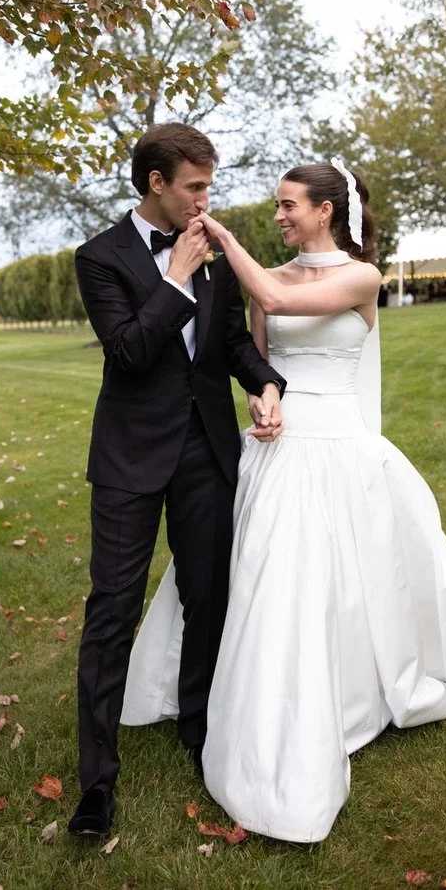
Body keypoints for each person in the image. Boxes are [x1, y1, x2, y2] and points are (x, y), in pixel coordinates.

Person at [121, 160, 446, 843]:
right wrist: (264, 398)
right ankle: (239, 700)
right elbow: (259, 358)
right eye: (277, 206)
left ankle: (358, 691)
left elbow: (283, 303)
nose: (281, 216)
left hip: (343, 448)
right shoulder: (272, 279)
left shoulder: (360, 275)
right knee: (270, 580)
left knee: (353, 579)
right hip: (279, 450)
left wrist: (225, 244)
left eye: (290, 205)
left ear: (327, 210)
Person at [68, 122, 285, 838]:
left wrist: (265, 383)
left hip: (206, 451)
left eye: (208, 185)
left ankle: (199, 731)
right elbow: (129, 351)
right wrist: (176, 278)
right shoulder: (98, 258)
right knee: (112, 612)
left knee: (209, 597)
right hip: (130, 456)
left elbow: (225, 344)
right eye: (194, 186)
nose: (205, 199)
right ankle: (96, 783)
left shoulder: (213, 252)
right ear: (155, 182)